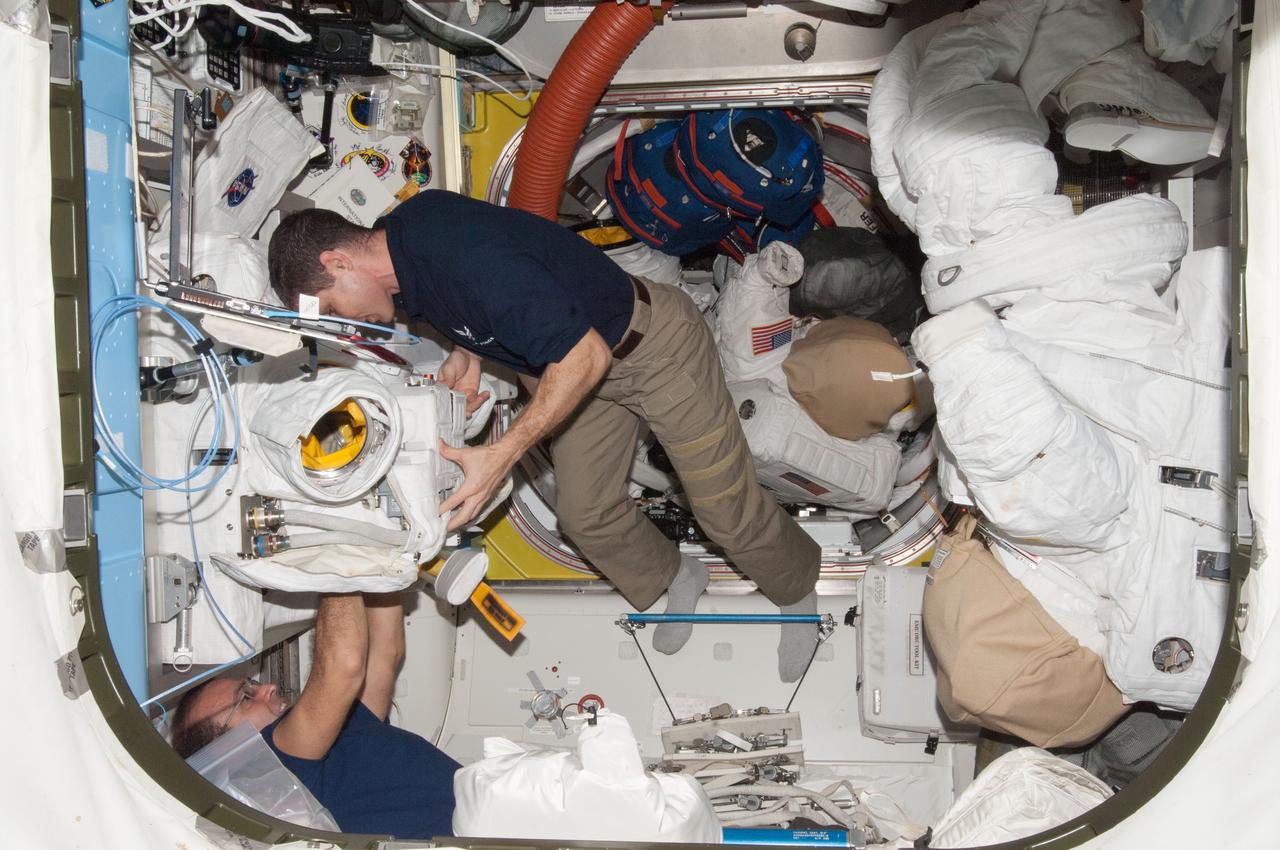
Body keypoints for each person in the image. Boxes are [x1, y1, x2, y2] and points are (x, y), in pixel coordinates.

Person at [266, 191, 822, 680]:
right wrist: (468, 352)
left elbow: (582, 353)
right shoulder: (402, 257)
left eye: (335, 309)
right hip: (583, 369)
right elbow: (487, 296)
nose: (349, 327)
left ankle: (796, 587)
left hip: (652, 349)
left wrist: (501, 454)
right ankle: (677, 574)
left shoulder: (457, 256)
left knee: (721, 507)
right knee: (584, 514)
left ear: (338, 261)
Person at [169, 593, 459, 838]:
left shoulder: (332, 736)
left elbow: (387, 652)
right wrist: (335, 568)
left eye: (253, 685)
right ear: (227, 752)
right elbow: (344, 664)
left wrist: (385, 566)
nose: (268, 688)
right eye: (246, 697)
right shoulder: (280, 762)